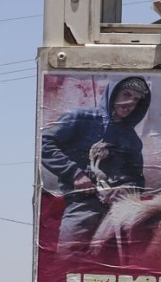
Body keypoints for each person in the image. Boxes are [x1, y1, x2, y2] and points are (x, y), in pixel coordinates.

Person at [39, 75, 151, 255]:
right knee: (68, 257)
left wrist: (126, 189)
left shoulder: (132, 140)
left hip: (122, 208)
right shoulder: (80, 119)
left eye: (136, 99)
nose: (129, 103)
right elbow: (43, 142)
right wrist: (75, 174)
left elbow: (137, 179)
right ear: (113, 94)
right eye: (126, 94)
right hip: (84, 205)